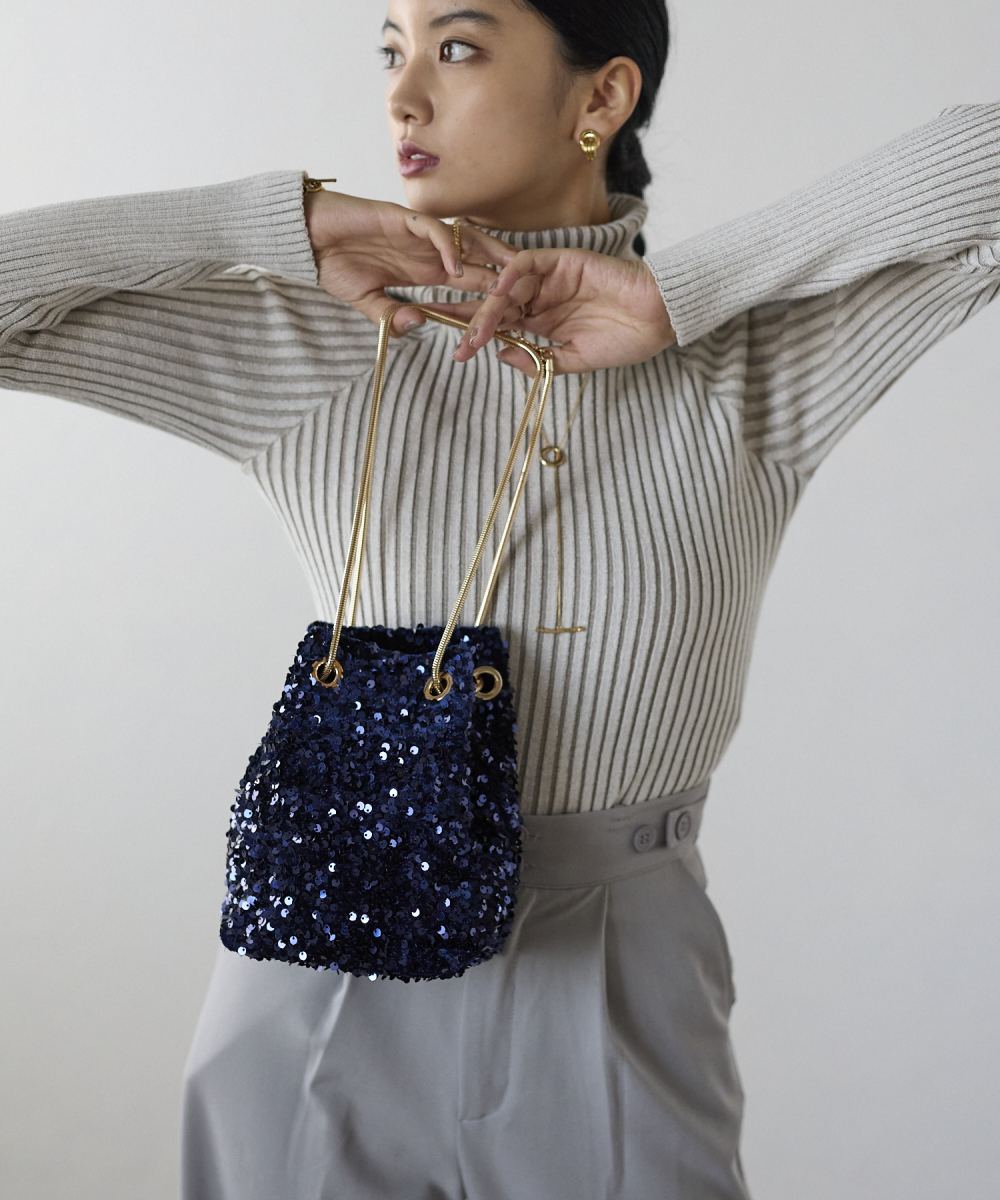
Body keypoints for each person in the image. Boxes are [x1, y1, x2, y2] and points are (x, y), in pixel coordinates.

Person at [1, 0, 997, 1196]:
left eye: (457, 48)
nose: (402, 93)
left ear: (602, 97)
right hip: (326, 963)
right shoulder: (319, 343)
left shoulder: (749, 364)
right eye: (391, 49)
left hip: (617, 964)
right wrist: (275, 221)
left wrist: (678, 297)